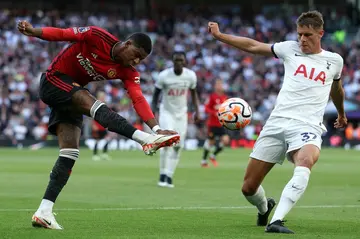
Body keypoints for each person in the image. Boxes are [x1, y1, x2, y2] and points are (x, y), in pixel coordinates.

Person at [17, 21, 180, 230]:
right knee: (91, 101)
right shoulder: (96, 36)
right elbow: (63, 33)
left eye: (142, 59)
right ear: (127, 44)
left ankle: (44, 211)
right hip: (53, 81)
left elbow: (138, 98)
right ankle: (144, 139)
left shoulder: (128, 70)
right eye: (136, 54)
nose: (137, 61)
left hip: (72, 94)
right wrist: (35, 32)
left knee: (69, 153)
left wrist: (157, 129)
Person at [208, 10, 347, 234]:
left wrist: (341, 113)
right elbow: (253, 46)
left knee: (305, 162)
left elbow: (337, 89)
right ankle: (265, 207)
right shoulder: (288, 48)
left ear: (320, 33)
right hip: (277, 123)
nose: (302, 39)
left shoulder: (334, 61)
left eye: (307, 35)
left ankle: (277, 221)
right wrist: (221, 36)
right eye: (299, 34)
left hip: (307, 125)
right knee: (248, 187)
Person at [151, 51, 200, 188]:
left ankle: (169, 175)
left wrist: (197, 110)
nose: (178, 63)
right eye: (176, 60)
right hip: (167, 112)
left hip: (181, 115)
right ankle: (162, 174)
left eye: (181, 60)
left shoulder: (190, 76)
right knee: (167, 142)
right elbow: (155, 96)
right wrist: (152, 112)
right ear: (172, 62)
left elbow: (194, 93)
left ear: (184, 62)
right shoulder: (164, 76)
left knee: (179, 146)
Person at [201, 79, 230, 167]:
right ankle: (204, 161)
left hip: (222, 124)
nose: (219, 86)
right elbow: (205, 108)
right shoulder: (212, 97)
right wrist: (213, 112)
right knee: (210, 142)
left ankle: (213, 156)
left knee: (226, 141)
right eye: (217, 85)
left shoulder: (225, 97)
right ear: (215, 86)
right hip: (212, 124)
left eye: (220, 84)